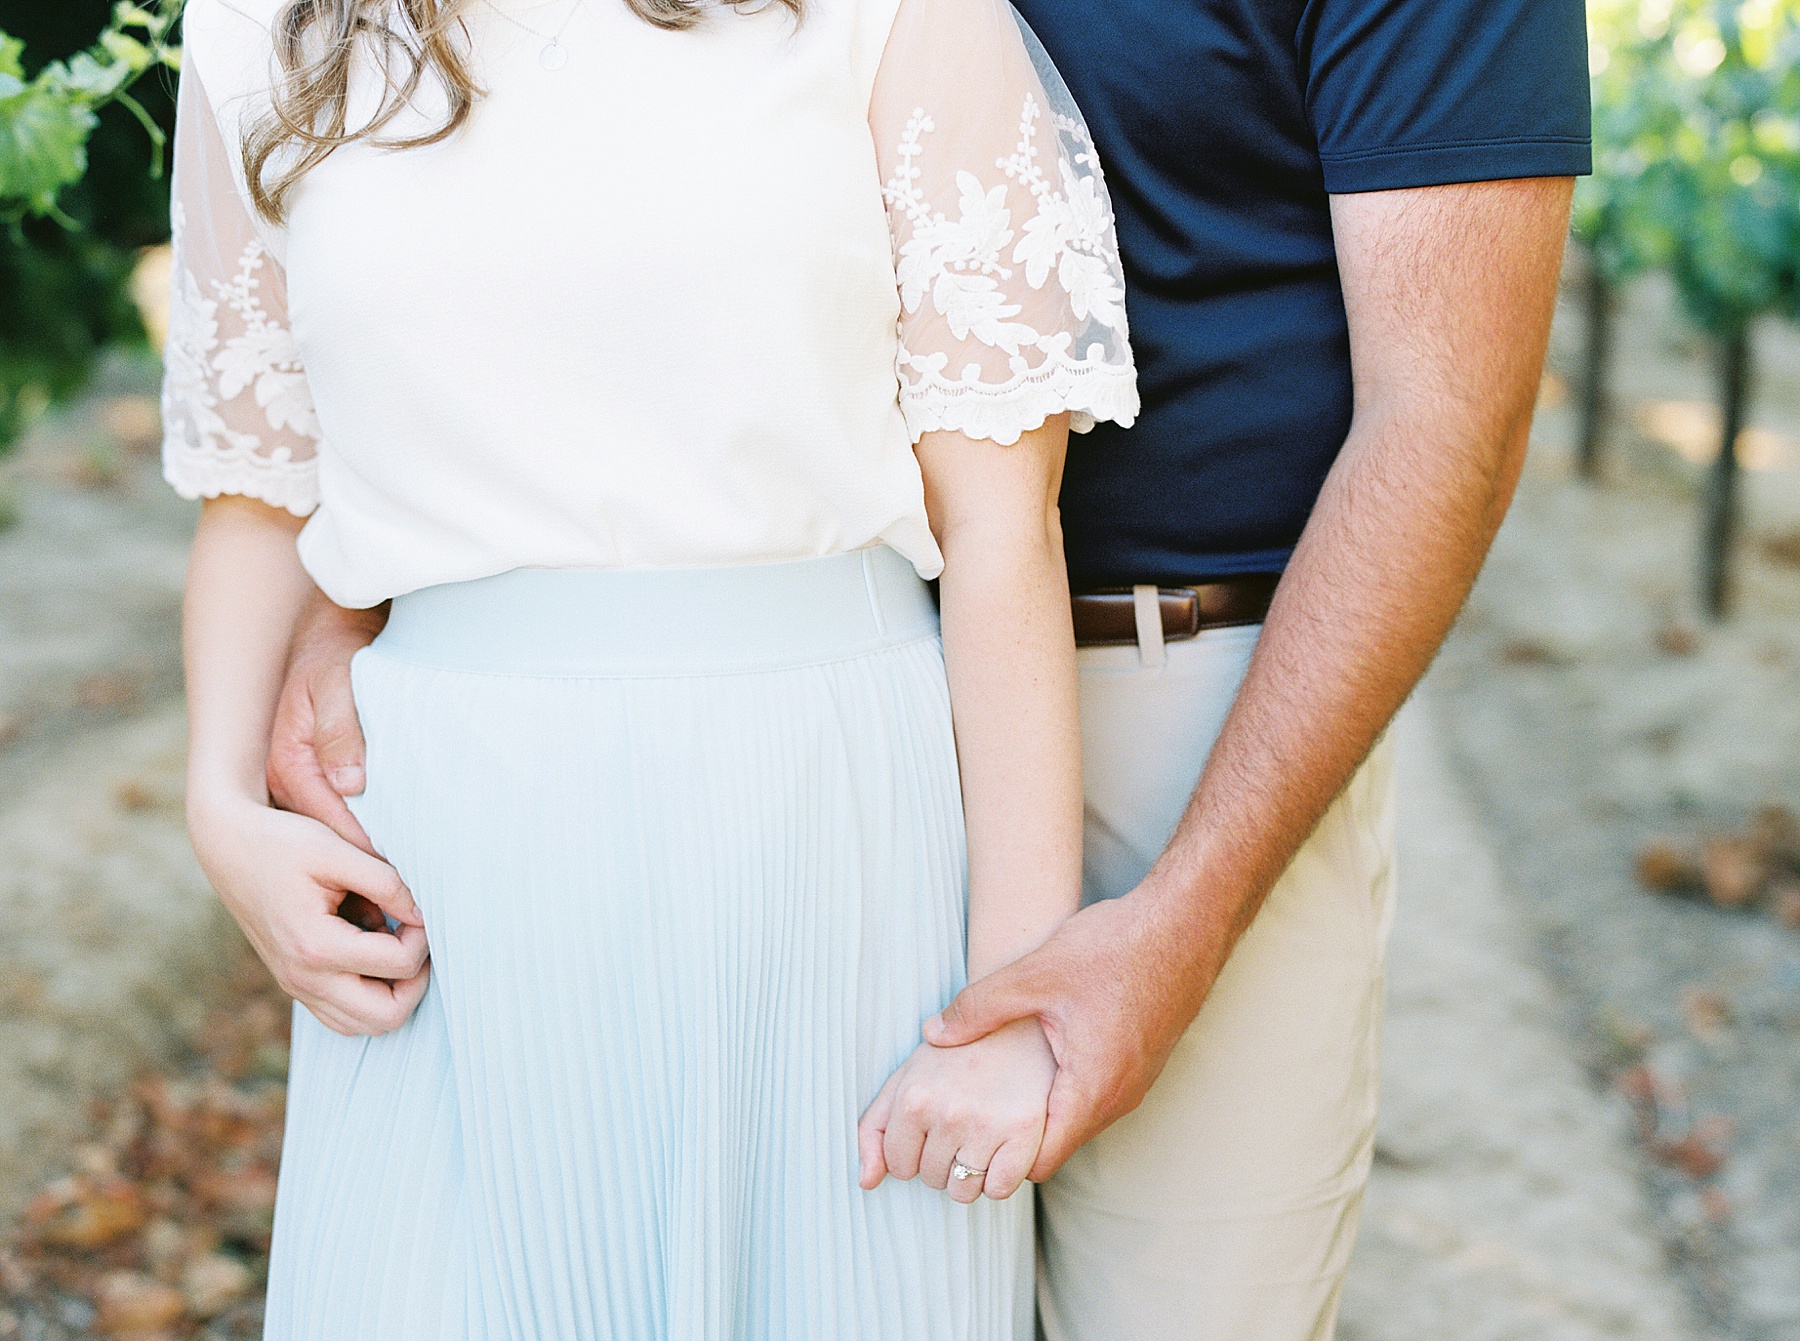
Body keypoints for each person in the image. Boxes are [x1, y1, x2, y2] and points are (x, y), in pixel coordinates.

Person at [267, 1, 1592, 1338]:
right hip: (815, 714)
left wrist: (1187, 916)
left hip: (1187, 707)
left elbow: (1446, 425)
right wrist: (378, 575)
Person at [163, 0, 1136, 1333]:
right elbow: (258, 490)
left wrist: (1014, 999)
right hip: (451, 863)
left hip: (824, 828)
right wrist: (223, 812)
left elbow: (1002, 530)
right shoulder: (256, 29)